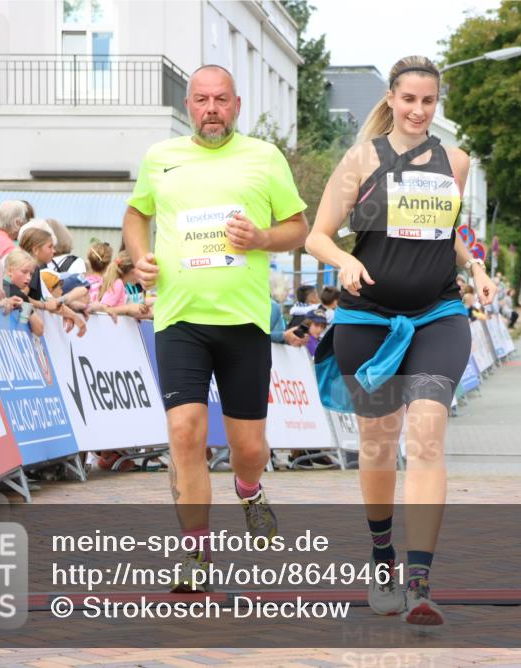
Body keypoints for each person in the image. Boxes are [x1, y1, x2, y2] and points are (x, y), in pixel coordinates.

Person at [304, 55, 496, 626]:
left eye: (428, 101)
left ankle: (420, 581)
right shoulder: (361, 159)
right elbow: (318, 235)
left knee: (429, 435)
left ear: (438, 104)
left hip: (438, 314)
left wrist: (479, 268)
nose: (418, 110)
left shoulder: (455, 161)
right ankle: (382, 553)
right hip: (368, 320)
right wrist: (341, 260)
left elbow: (457, 231)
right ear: (391, 98)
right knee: (379, 445)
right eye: (408, 99)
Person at [122, 64, 308, 592]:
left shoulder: (264, 158)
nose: (211, 109)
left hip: (244, 322)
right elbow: (137, 215)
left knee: (249, 447)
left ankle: (249, 488)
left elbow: (298, 227)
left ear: (237, 104)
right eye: (201, 100)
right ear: (189, 107)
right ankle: (197, 554)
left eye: (220, 100)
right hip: (179, 318)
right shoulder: (162, 158)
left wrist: (261, 239)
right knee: (185, 434)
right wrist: (140, 257)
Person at [1, 248, 44, 336]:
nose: (28, 278)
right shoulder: (19, 295)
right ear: (9, 271)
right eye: (24, 272)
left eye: (31, 274)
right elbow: (39, 330)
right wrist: (27, 308)